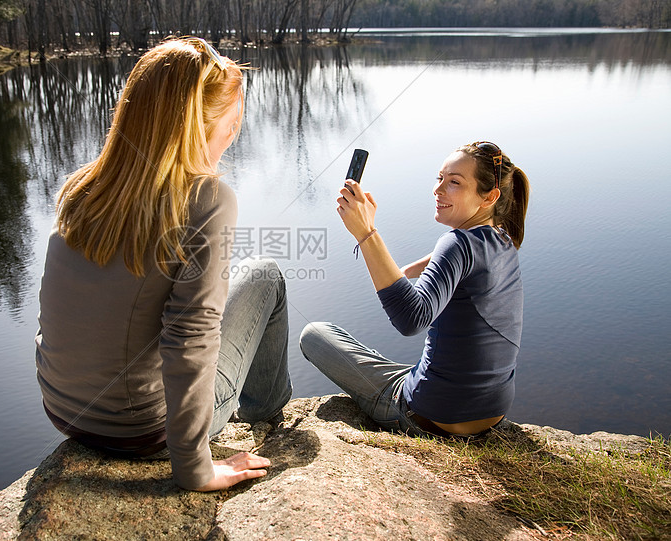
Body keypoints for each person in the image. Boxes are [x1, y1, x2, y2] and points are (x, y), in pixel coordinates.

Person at [35, 37, 292, 491]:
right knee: (266, 276)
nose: (234, 136)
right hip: (141, 431)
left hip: (63, 411)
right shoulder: (208, 201)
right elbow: (190, 337)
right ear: (202, 130)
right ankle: (266, 419)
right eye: (232, 125)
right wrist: (196, 469)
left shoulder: (84, 186)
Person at [301, 142, 530, 438]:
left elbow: (411, 319)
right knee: (408, 366)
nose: (438, 190)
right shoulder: (504, 239)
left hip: (429, 416)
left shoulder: (456, 243)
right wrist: (404, 272)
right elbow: (452, 262)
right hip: (490, 412)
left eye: (454, 183)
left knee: (316, 335)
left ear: (489, 197)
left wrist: (366, 232)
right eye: (440, 179)